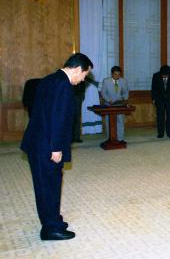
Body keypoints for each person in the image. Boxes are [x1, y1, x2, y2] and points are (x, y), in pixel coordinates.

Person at [20, 53, 93, 240]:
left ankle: (53, 219)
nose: (83, 79)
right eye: (84, 75)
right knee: (49, 185)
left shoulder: (49, 80)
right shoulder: (63, 85)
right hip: (46, 145)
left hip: (36, 142)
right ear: (77, 69)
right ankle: (51, 228)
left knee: (45, 185)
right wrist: (56, 148)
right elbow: (57, 119)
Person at [101, 66, 129, 144]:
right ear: (112, 74)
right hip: (109, 105)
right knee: (108, 122)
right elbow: (103, 93)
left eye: (119, 75)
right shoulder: (106, 81)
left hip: (120, 105)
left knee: (120, 121)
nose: (117, 76)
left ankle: (120, 139)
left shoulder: (123, 81)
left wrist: (125, 99)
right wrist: (109, 100)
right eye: (115, 74)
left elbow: (126, 92)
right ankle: (109, 138)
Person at [151, 65, 170, 138]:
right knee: (160, 117)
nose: (164, 77)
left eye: (166, 76)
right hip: (159, 99)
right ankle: (160, 133)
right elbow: (153, 88)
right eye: (163, 75)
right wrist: (153, 99)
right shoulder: (156, 76)